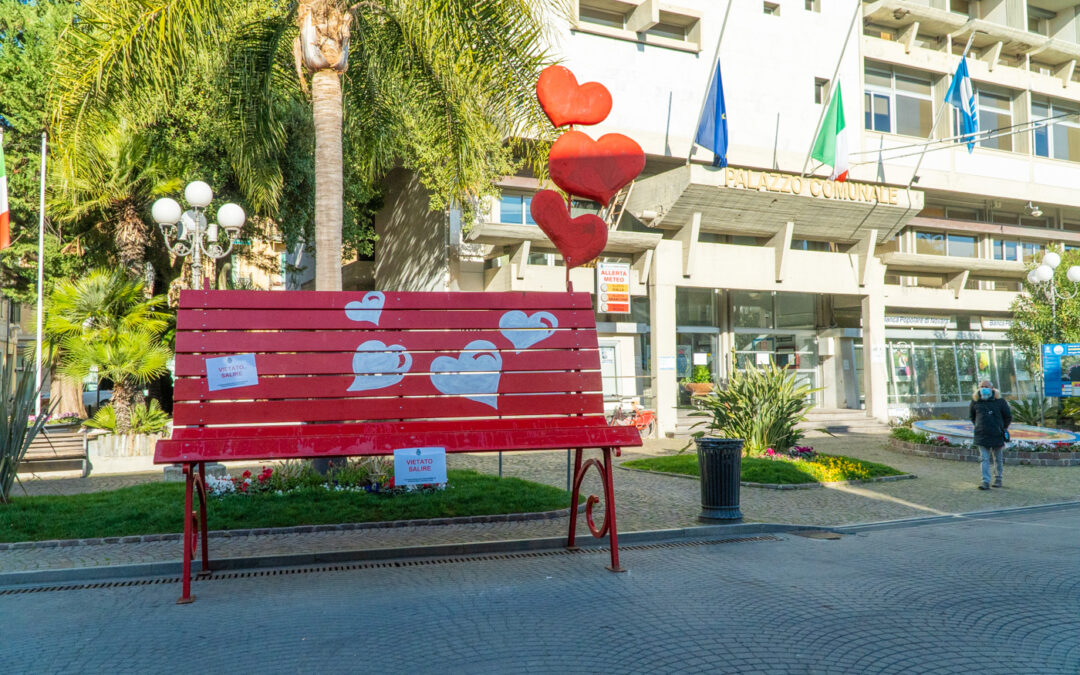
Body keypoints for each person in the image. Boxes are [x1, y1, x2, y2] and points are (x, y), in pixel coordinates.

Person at [969, 379, 1011, 490]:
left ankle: (998, 479)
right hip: (981, 434)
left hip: (997, 434)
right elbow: (972, 417)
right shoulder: (975, 402)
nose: (984, 388)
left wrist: (1002, 427)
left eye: (986, 386)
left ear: (992, 388)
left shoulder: (1000, 401)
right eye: (982, 386)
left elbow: (1008, 416)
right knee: (984, 459)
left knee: (998, 458)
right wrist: (979, 425)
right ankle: (985, 481)